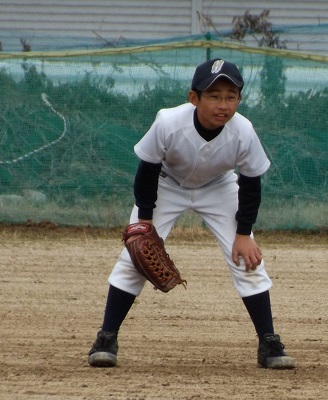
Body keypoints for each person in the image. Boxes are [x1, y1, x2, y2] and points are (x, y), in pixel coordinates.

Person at [87, 58, 295, 370]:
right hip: (166, 184)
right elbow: (147, 172)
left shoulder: (243, 131)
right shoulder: (169, 122)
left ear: (239, 100)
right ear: (194, 98)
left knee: (247, 260)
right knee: (134, 256)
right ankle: (106, 338)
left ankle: (269, 342)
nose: (223, 104)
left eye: (231, 96)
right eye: (214, 96)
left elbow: (251, 185)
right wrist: (144, 221)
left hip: (219, 187)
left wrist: (243, 234)